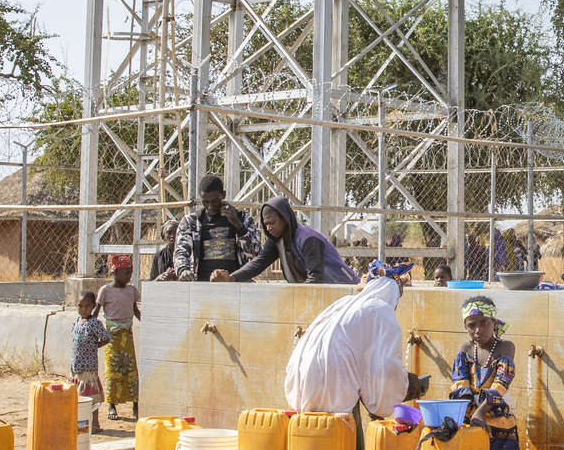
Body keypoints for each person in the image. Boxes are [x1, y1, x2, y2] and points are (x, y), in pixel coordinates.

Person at [282, 264, 410, 418]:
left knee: (311, 428)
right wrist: (406, 383)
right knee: (336, 432)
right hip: (331, 380)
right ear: (393, 295)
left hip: (299, 377)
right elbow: (386, 367)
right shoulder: (381, 311)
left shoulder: (345, 303)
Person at [448, 295, 521, 450]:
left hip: (501, 434)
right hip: (472, 433)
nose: (478, 330)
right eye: (472, 325)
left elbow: (500, 385)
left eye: (483, 323)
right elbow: (460, 388)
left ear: (493, 322)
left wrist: (480, 412)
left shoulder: (504, 348)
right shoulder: (464, 351)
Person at [219, 195, 355, 285]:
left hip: (342, 291)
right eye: (266, 224)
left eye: (272, 223)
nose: (269, 228)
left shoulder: (308, 239)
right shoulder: (278, 240)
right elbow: (258, 263)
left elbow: (315, 279)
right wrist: (232, 278)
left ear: (285, 218)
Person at [170, 176, 261, 282]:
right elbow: (180, 252)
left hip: (236, 283)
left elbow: (256, 255)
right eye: (205, 202)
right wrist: (183, 270)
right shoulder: (191, 222)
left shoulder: (242, 218)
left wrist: (239, 226)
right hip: (202, 284)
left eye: (215, 201)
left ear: (223, 195)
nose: (210, 206)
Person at [95, 256, 140, 419]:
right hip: (111, 337)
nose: (128, 276)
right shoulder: (105, 291)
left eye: (130, 273)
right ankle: (111, 406)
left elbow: (135, 310)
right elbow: (96, 312)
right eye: (125, 273)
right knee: (112, 370)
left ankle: (136, 404)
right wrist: (92, 331)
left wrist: (148, 323)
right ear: (115, 272)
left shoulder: (132, 290)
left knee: (131, 370)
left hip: (127, 336)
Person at [70, 291, 110, 432]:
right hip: (77, 368)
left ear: (93, 306)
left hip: (89, 368)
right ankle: (80, 422)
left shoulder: (94, 323)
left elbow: (105, 338)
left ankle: (94, 424)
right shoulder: (76, 322)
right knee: (78, 398)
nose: (83, 309)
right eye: (80, 306)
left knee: (91, 399)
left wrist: (94, 346)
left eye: (87, 306)